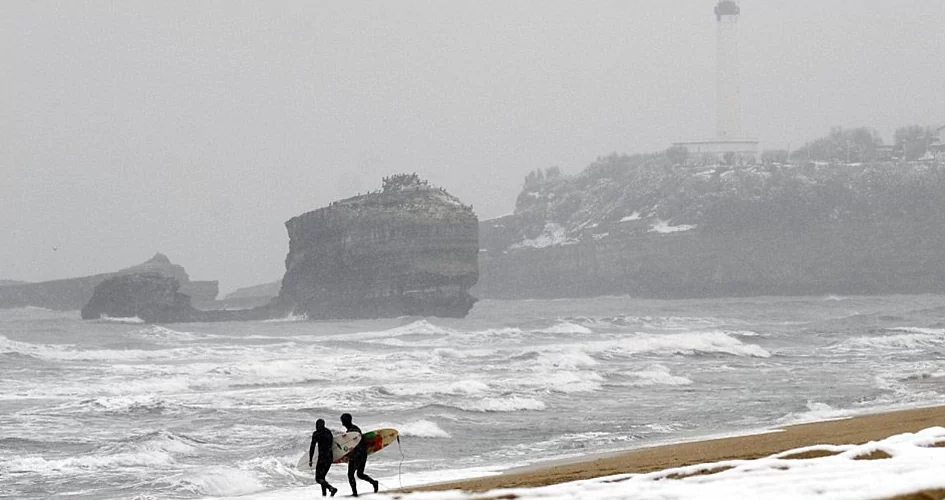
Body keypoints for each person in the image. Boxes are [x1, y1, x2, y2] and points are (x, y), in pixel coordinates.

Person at [340, 413, 378, 496]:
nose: (342, 423)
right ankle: (374, 483)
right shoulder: (354, 429)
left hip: (357, 455)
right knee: (360, 474)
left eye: (343, 421)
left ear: (346, 422)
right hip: (362, 454)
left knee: (350, 475)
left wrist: (348, 455)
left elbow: (354, 444)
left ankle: (355, 493)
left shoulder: (353, 431)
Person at [308, 419, 338, 497]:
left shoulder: (316, 434)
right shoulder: (328, 432)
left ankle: (331, 488)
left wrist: (310, 459)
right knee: (322, 477)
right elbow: (332, 444)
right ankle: (324, 495)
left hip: (322, 458)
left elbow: (312, 447)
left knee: (318, 478)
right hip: (329, 458)